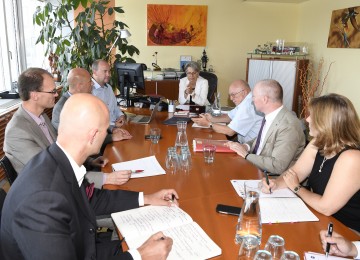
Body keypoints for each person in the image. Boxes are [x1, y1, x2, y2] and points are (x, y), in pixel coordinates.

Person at [1, 93, 176, 259]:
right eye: (106, 129)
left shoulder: (58, 160)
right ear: (93, 136)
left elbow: (92, 198)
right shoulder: (42, 201)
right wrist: (140, 256)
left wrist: (146, 198)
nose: (108, 133)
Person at [3, 68, 130, 188]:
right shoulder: (17, 131)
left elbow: (61, 151)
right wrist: (104, 178)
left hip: (61, 183)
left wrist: (90, 161)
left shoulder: (41, 117)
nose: (56, 94)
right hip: (48, 193)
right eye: (52, 91)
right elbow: (53, 171)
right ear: (35, 95)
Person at [262, 93, 360, 232]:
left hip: (348, 230)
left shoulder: (352, 158)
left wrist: (296, 188)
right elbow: (295, 173)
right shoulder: (318, 142)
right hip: (320, 218)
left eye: (311, 115)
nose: (307, 119)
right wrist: (276, 183)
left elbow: (326, 207)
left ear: (327, 121)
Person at [226, 79, 305, 174]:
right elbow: (260, 140)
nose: (252, 99)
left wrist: (246, 155)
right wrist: (245, 146)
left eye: (253, 96)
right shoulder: (270, 116)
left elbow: (277, 166)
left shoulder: (288, 126)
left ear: (264, 99)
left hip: (272, 178)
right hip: (257, 167)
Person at [52, 68, 132, 145]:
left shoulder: (85, 100)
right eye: (90, 81)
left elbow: (96, 126)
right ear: (79, 86)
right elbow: (80, 140)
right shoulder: (61, 108)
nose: (93, 84)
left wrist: (113, 129)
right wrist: (111, 137)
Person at [191, 80, 263, 143]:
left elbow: (230, 131)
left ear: (244, 92)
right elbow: (229, 116)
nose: (231, 98)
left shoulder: (248, 106)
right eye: (230, 95)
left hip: (250, 148)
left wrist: (208, 124)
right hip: (242, 142)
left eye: (233, 95)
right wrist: (211, 118)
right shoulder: (246, 101)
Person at [92, 59, 126, 130]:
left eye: (109, 71)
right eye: (105, 71)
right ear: (95, 72)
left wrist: (121, 116)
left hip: (115, 127)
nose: (108, 74)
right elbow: (94, 119)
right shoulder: (90, 90)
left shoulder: (108, 87)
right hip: (103, 131)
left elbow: (115, 107)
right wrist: (113, 125)